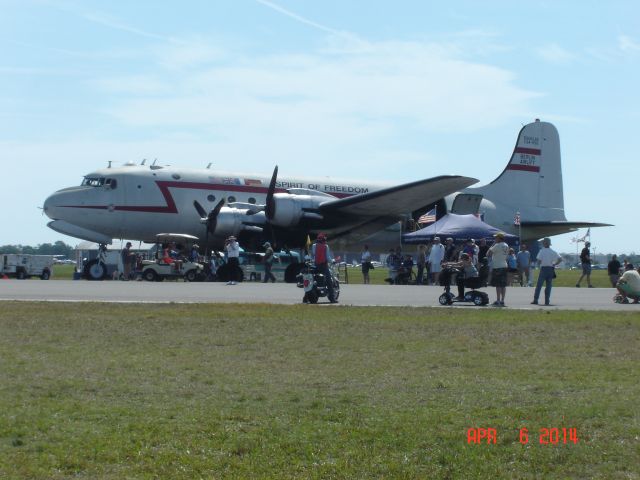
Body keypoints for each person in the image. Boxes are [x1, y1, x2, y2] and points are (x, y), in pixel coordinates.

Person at [531, 237, 562, 306]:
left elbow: (538, 260)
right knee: (548, 286)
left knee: (539, 285)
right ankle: (547, 301)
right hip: (550, 269)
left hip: (543, 269)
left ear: (544, 243)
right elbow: (560, 259)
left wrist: (539, 265)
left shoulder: (542, 251)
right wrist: (554, 264)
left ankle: (536, 300)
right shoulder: (553, 251)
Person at [311, 233, 337, 302]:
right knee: (329, 281)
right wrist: (332, 261)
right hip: (323, 266)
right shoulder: (326, 246)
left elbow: (313, 255)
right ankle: (332, 298)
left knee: (312, 280)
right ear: (323, 239)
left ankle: (305, 298)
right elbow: (328, 257)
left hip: (315, 266)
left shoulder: (314, 246)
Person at [487, 232, 509, 306]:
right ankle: (502, 300)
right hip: (504, 265)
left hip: (498, 266)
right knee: (503, 285)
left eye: (496, 237)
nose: (495, 239)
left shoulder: (497, 245)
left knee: (498, 285)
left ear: (499, 238)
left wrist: (492, 245)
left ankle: (498, 300)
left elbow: (488, 254)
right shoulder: (506, 245)